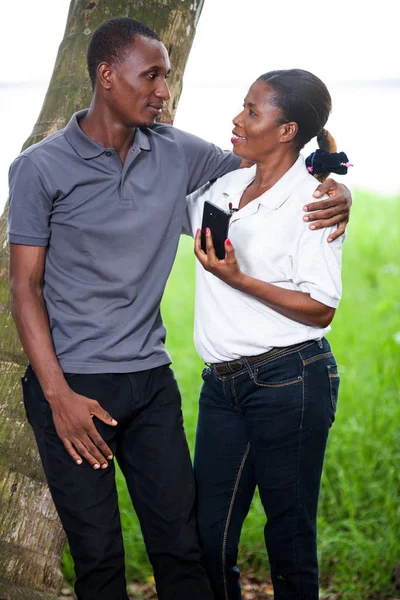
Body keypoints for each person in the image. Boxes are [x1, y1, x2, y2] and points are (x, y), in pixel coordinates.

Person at [7, 15, 350, 600]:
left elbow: (276, 158)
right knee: (100, 557)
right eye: (152, 76)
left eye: (165, 76)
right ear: (107, 75)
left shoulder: (177, 154)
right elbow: (24, 288)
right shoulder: (40, 168)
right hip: (74, 386)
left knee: (184, 547)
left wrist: (335, 179)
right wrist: (59, 396)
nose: (164, 91)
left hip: (153, 384)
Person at [184, 69, 348, 600]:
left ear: (287, 130)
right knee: (208, 536)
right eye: (242, 106)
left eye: (253, 111)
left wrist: (237, 278)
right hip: (223, 388)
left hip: (291, 381)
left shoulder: (313, 203)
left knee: (289, 536)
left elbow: (321, 307)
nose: (237, 118)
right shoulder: (226, 185)